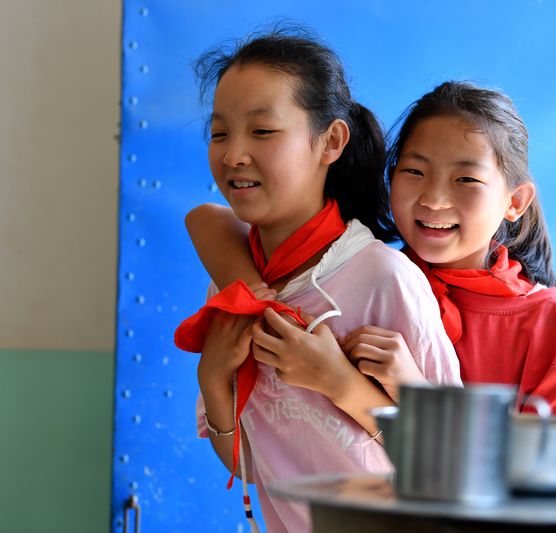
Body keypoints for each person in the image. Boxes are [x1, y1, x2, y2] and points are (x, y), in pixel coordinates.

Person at [174, 29, 461, 533]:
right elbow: (251, 466)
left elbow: (456, 467)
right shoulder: (231, 286)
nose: (234, 154)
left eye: (262, 131)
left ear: (331, 141)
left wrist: (340, 383)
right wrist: (212, 378)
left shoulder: (384, 279)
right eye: (219, 134)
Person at [187, 80, 556, 422]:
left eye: (466, 179)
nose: (433, 199)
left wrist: (410, 390)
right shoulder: (371, 277)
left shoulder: (547, 321)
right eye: (414, 171)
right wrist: (257, 302)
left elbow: (550, 478)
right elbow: (209, 221)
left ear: (515, 201)